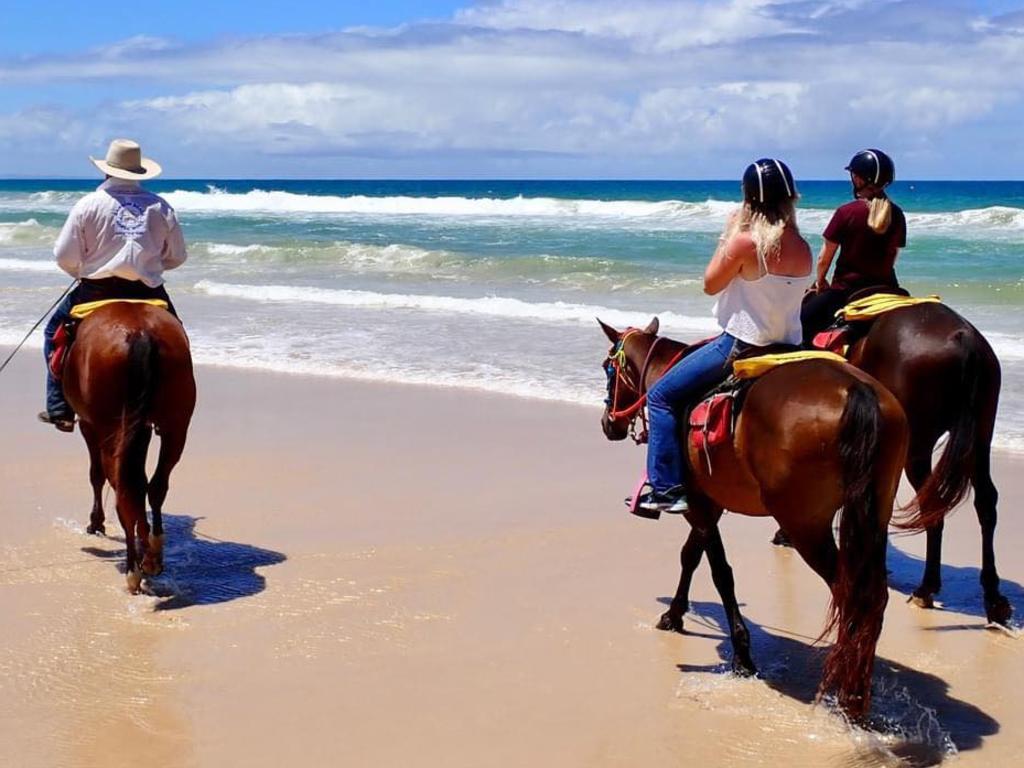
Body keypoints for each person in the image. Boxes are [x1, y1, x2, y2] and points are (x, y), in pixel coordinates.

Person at [636, 159, 812, 515]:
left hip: (740, 345)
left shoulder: (746, 244)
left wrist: (728, 234)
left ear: (748, 201)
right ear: (790, 198)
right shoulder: (804, 247)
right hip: (790, 346)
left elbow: (709, 284)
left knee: (660, 397)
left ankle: (666, 489)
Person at [38, 138, 187, 432]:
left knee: (53, 334)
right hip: (149, 292)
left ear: (106, 170)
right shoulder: (160, 205)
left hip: (97, 291)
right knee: (177, 337)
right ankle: (170, 405)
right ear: (139, 172)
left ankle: (60, 409)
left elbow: (63, 255)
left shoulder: (88, 204)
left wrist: (82, 272)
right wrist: (150, 267)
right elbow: (177, 256)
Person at [801, 148, 906, 345]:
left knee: (799, 326)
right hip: (888, 289)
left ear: (858, 179)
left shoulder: (846, 212)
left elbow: (825, 258)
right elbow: (892, 257)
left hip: (846, 291)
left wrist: (821, 281)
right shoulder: (897, 214)